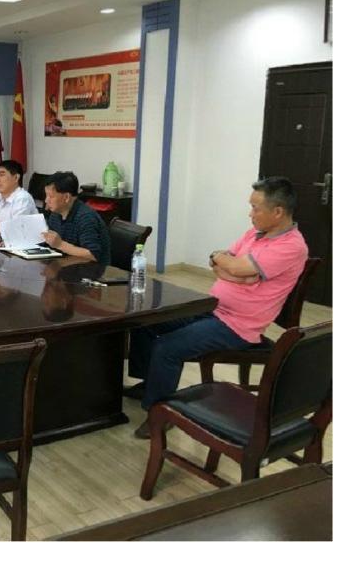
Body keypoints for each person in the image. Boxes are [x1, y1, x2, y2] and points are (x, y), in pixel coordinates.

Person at [129, 176, 309, 433]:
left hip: (238, 325)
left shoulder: (291, 246)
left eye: (255, 208)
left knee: (167, 347)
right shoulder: (255, 234)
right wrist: (232, 268)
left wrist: (232, 268)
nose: (250, 214)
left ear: (278, 212)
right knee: (145, 320)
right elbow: (221, 261)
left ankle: (159, 414)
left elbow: (234, 265)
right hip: (212, 308)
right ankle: (149, 384)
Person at [41, 171, 111, 269]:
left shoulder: (86, 217)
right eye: (46, 196)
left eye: (51, 196)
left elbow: (93, 255)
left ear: (66, 197)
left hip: (92, 272)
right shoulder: (55, 214)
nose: (46, 200)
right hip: (67, 267)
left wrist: (60, 244)